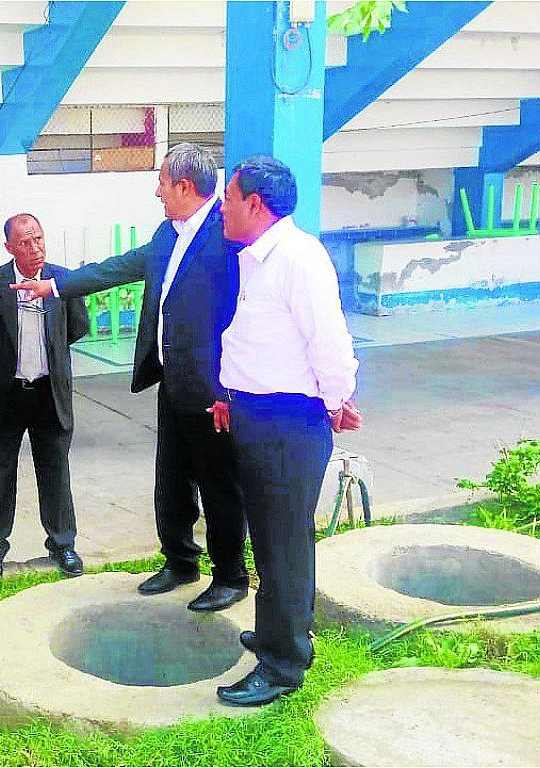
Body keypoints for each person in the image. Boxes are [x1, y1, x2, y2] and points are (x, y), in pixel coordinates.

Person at [12, 143, 248, 612]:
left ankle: (230, 576)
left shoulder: (227, 238)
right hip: (173, 381)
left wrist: (229, 389)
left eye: (162, 181)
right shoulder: (168, 233)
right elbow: (117, 268)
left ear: (184, 186)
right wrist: (54, 286)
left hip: (212, 389)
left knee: (219, 484)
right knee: (172, 480)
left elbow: (243, 318)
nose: (156, 190)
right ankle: (180, 561)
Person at [212, 156, 362, 707]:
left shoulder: (299, 258)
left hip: (286, 423)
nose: (222, 206)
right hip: (258, 417)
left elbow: (328, 339)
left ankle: (284, 665)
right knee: (270, 539)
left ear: (256, 204)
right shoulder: (257, 256)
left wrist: (336, 400)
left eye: (229, 197)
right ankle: (277, 631)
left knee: (283, 545)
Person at [0, 213, 91, 581]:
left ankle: (63, 545)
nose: (34, 248)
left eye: (38, 239)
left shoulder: (62, 280)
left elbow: (76, 327)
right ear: (9, 248)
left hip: (49, 393)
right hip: (6, 395)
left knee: (56, 470)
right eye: (24, 242)